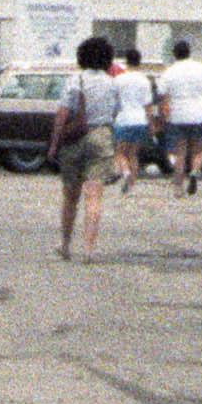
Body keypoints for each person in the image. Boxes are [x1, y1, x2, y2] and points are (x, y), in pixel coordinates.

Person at [54, 36, 125, 261]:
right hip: (101, 136)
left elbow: (63, 113)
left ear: (81, 56)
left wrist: (55, 143)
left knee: (70, 196)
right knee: (94, 196)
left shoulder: (75, 80)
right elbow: (115, 114)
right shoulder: (112, 82)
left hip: (75, 138)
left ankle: (65, 245)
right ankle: (88, 249)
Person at [156, 41, 202, 195]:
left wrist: (162, 116)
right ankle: (194, 172)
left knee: (180, 153)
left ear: (174, 54)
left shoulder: (169, 72)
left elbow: (162, 96)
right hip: (200, 114)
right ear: (189, 52)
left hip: (177, 115)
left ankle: (178, 188)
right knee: (198, 151)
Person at [110, 49, 156, 191]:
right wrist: (151, 124)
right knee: (133, 154)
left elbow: (114, 103)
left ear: (126, 61)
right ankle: (131, 186)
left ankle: (126, 173)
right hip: (140, 120)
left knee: (120, 153)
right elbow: (148, 105)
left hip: (123, 119)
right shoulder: (145, 81)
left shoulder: (118, 80)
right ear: (139, 61)